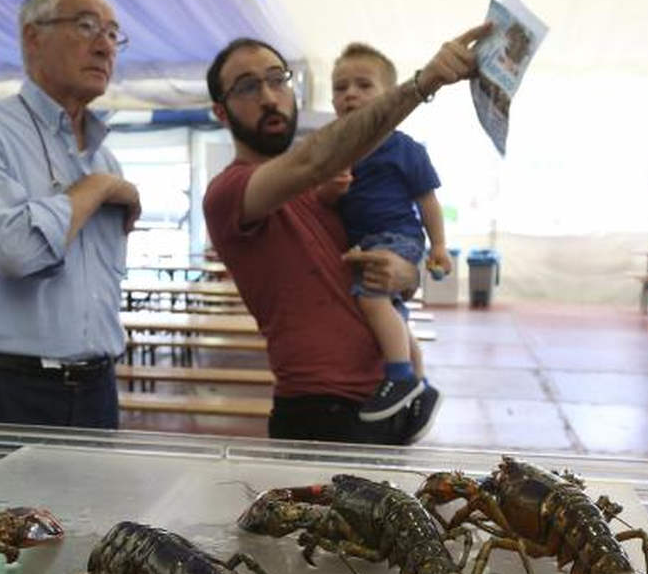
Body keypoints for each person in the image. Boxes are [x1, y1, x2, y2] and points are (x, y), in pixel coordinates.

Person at [201, 23, 490, 445]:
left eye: (277, 79)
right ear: (221, 112)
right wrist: (423, 83)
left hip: (383, 400)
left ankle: (412, 381)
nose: (268, 96)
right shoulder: (230, 192)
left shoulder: (328, 192)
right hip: (320, 407)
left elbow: (375, 263)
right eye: (247, 87)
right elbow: (312, 160)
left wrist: (404, 274)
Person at [0, 0, 140, 429]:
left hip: (96, 389)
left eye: (112, 33)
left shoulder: (103, 153)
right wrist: (98, 188)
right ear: (33, 36)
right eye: (87, 26)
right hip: (4, 391)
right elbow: (16, 251)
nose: (105, 46)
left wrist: (101, 181)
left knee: (96, 503)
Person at [327, 42, 452, 420]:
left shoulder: (404, 148)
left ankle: (398, 376)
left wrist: (440, 247)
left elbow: (427, 201)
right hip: (366, 241)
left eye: (364, 85)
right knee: (393, 311)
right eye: (340, 87)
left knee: (373, 299)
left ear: (390, 97)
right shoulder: (334, 148)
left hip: (398, 236)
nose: (350, 93)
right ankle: (422, 383)